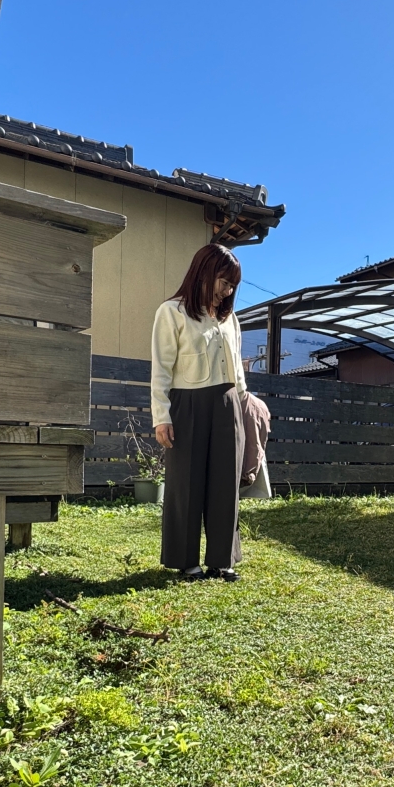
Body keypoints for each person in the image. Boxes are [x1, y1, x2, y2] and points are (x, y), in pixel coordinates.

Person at [151, 243, 246, 581]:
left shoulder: (229, 319)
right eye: (224, 282)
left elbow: (238, 368)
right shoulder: (172, 312)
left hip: (228, 405)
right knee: (185, 483)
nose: (228, 291)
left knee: (226, 484)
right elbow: (161, 369)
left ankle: (222, 559)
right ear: (204, 272)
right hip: (187, 405)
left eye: (233, 285)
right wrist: (161, 416)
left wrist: (244, 405)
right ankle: (185, 559)